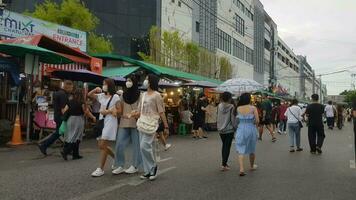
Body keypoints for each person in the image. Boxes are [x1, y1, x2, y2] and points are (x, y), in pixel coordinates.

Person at [132, 74, 169, 181]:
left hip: (152, 123)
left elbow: (161, 111)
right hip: (142, 122)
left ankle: (153, 166)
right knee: (143, 147)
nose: (145, 81)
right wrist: (133, 113)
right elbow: (139, 111)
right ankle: (147, 171)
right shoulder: (142, 95)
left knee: (144, 146)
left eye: (147, 79)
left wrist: (166, 126)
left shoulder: (157, 95)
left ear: (151, 81)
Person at [89, 78, 120, 177]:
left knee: (103, 144)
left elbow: (119, 111)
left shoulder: (115, 97)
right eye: (103, 84)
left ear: (110, 85)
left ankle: (100, 169)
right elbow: (89, 95)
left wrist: (109, 111)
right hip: (101, 121)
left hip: (110, 122)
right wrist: (95, 89)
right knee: (102, 145)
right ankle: (117, 159)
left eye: (105, 84)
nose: (104, 86)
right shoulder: (101, 96)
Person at [112, 75, 143, 175]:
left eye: (130, 80)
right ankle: (120, 165)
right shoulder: (123, 95)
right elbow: (119, 108)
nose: (128, 82)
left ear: (134, 82)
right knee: (119, 144)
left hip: (136, 123)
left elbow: (141, 109)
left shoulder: (140, 95)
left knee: (136, 146)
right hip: (124, 122)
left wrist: (134, 114)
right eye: (127, 80)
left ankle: (135, 165)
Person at [37, 80, 73, 155]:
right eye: (71, 87)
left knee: (62, 133)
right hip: (61, 117)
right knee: (60, 133)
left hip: (57, 116)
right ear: (68, 87)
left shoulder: (58, 93)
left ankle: (67, 149)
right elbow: (63, 109)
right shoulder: (63, 95)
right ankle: (44, 145)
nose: (72, 89)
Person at [60, 89, 96, 160]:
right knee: (77, 138)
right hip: (78, 120)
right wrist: (93, 117)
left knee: (71, 137)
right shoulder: (82, 103)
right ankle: (66, 151)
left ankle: (75, 154)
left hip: (70, 120)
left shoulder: (70, 101)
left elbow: (64, 111)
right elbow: (87, 112)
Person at [235, 93, 259, 176]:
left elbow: (237, 120)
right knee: (252, 149)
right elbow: (257, 121)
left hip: (241, 129)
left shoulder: (238, 108)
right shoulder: (253, 108)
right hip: (251, 129)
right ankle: (252, 166)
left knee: (241, 149)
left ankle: (241, 169)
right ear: (249, 99)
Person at [217, 92, 236, 171]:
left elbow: (218, 116)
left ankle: (224, 163)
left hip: (220, 129)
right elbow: (232, 118)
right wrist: (235, 127)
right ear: (229, 98)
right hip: (229, 129)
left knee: (224, 145)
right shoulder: (232, 106)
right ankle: (224, 165)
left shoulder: (219, 105)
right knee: (227, 147)